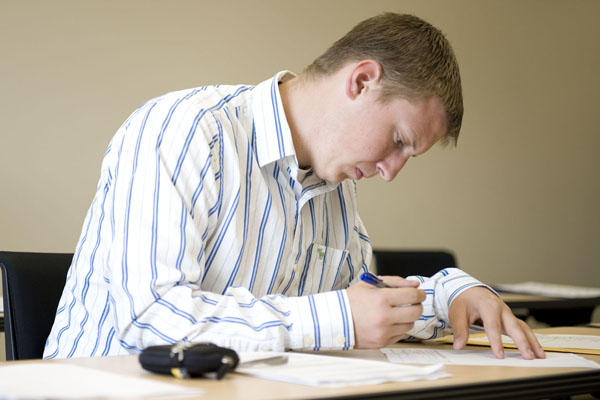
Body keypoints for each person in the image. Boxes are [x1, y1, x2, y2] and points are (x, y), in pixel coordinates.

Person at [44, 13, 545, 360]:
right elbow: (152, 319)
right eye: (397, 140)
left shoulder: (333, 185)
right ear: (362, 81)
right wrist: (339, 319)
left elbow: (361, 305)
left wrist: (454, 294)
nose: (391, 171)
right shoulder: (185, 130)